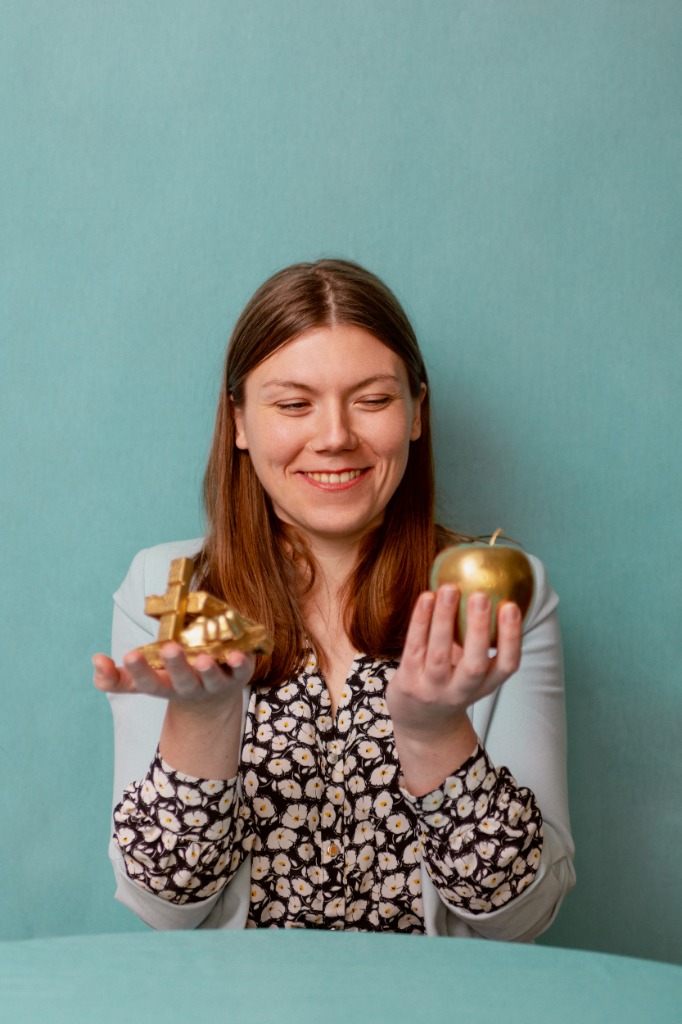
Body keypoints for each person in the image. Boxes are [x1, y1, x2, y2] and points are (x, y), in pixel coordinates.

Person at [93, 258, 575, 939]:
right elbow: (166, 906)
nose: (335, 437)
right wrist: (200, 719)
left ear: (416, 413)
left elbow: (522, 917)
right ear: (239, 421)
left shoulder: (501, 596)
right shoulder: (168, 590)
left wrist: (436, 734)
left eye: (372, 400)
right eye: (294, 405)